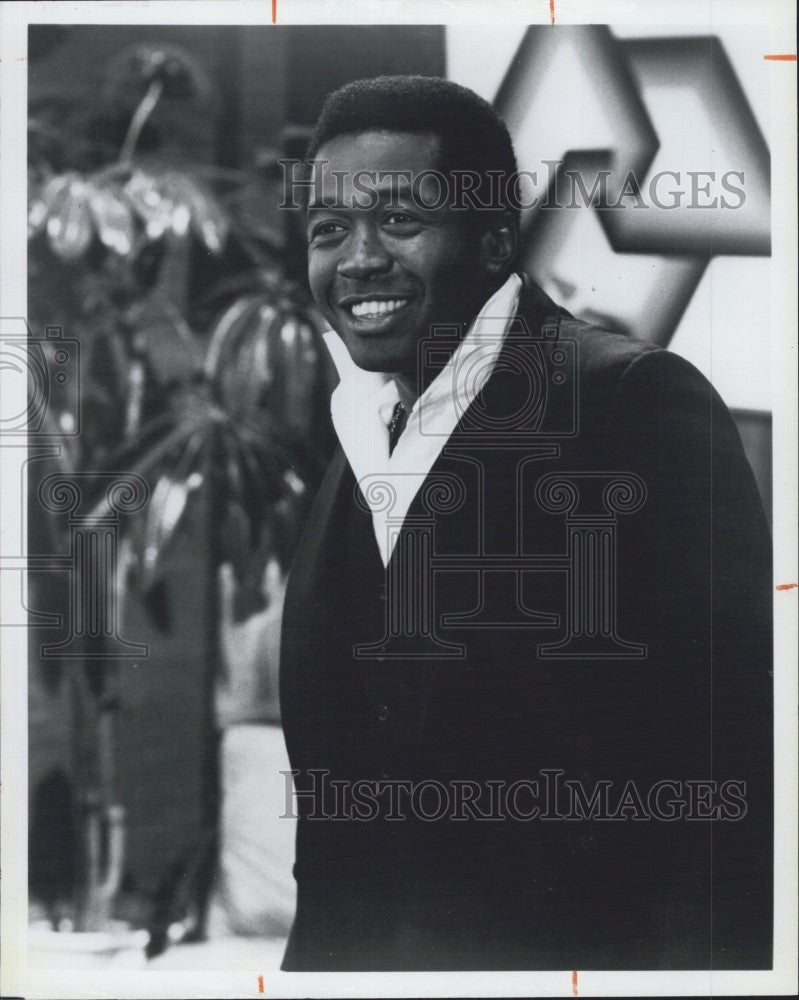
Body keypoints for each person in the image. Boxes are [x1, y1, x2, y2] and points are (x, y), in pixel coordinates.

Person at [278, 75, 773, 971]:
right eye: (328, 230)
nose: (356, 260)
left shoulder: (632, 403)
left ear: (493, 239)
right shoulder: (353, 449)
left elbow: (730, 778)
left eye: (399, 220)